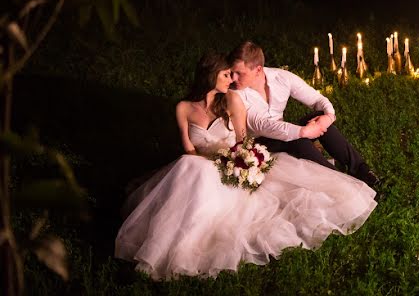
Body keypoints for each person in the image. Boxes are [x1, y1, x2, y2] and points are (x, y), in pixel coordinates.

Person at [115, 52, 377, 280]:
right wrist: (211, 161)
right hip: (202, 164)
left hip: (232, 160)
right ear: (211, 76)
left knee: (194, 169)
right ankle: (164, 246)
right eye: (227, 75)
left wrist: (321, 120)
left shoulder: (239, 97)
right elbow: (190, 148)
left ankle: (358, 171)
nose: (232, 80)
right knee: (189, 165)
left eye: (235, 74)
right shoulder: (185, 107)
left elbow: (243, 140)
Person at [228, 41, 381, 188]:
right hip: (260, 143)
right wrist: (302, 131)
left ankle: (362, 170)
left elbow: (317, 99)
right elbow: (261, 125)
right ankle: (344, 182)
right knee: (298, 139)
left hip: (285, 132)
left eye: (239, 73)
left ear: (258, 70)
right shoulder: (236, 93)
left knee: (319, 116)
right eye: (232, 72)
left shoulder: (281, 77)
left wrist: (328, 117)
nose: (233, 78)